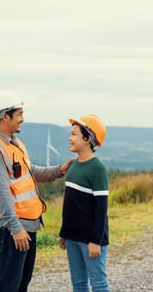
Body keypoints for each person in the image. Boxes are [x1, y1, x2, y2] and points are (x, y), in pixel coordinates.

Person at [0, 90, 73, 292]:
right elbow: (1, 194)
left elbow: (30, 172)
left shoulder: (15, 144)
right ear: (6, 115)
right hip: (13, 229)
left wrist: (59, 171)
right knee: (9, 285)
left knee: (21, 284)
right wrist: (15, 229)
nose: (23, 119)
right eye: (20, 114)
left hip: (28, 226)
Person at [59, 114, 109, 292]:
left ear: (87, 138)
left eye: (74, 134)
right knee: (78, 284)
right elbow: (69, 205)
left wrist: (95, 241)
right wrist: (64, 233)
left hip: (91, 241)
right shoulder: (73, 166)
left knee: (98, 283)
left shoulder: (98, 169)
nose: (69, 138)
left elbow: (101, 209)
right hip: (72, 237)